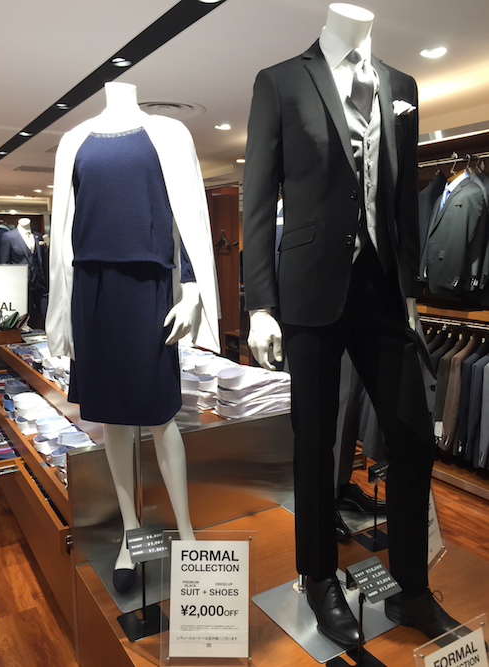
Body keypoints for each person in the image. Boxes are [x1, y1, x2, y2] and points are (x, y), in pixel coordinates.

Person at [243, 2, 462, 648]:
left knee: (412, 433)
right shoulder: (281, 82)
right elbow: (257, 196)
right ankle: (318, 576)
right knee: (314, 440)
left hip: (383, 288)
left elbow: (402, 197)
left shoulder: (401, 86)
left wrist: (411, 292)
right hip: (311, 288)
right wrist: (260, 304)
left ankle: (411, 588)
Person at [46, 82, 220, 593]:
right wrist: (62, 314)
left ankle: (187, 535)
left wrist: (193, 290)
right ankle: (131, 531)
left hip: (149, 288)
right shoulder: (74, 140)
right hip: (92, 291)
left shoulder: (168, 132)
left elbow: (189, 214)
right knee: (112, 419)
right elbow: (62, 234)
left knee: (161, 416)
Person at [0, 217, 48, 321]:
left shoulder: (37, 236)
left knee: (47, 314)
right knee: (25, 318)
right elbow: (5, 263)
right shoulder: (9, 237)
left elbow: (42, 259)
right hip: (21, 284)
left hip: (39, 281)